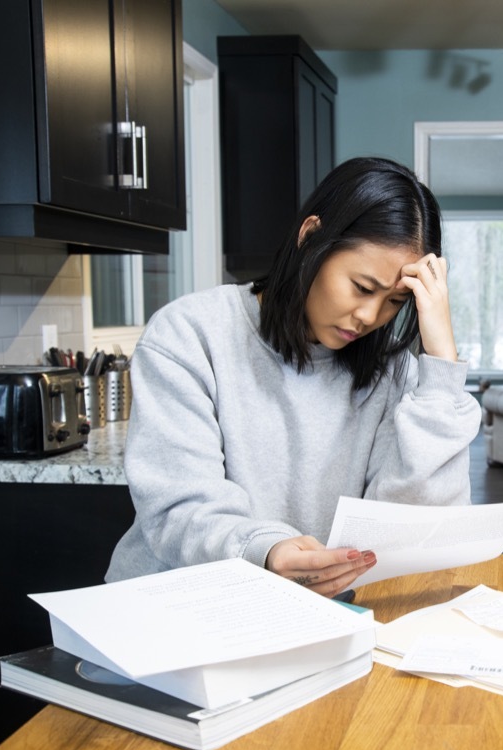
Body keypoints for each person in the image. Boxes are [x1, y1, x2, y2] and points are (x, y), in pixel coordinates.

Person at [105, 156, 482, 596]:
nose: (369, 316)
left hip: (312, 615)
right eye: (362, 287)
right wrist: (264, 551)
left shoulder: (394, 372)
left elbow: (414, 526)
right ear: (310, 237)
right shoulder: (190, 333)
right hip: (178, 606)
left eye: (396, 302)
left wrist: (441, 367)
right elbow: (179, 509)